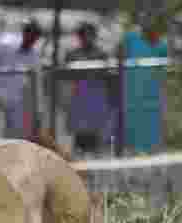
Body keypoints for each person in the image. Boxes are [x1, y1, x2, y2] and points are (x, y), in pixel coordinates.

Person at [0, 19, 44, 139]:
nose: (32, 39)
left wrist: (38, 110)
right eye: (30, 34)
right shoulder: (5, 46)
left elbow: (36, 84)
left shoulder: (34, 56)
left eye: (35, 36)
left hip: (19, 103)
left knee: (15, 138)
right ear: (24, 33)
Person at [120, 15, 168, 155]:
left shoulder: (162, 46)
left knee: (152, 129)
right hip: (132, 95)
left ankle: (153, 152)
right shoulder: (130, 39)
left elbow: (163, 73)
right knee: (133, 130)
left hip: (152, 96)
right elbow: (119, 59)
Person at [65, 21, 114, 157]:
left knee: (95, 139)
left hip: (96, 101)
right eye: (83, 35)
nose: (87, 38)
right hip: (79, 101)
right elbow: (67, 77)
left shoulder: (102, 54)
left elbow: (109, 77)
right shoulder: (72, 54)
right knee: (80, 139)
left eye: (90, 34)